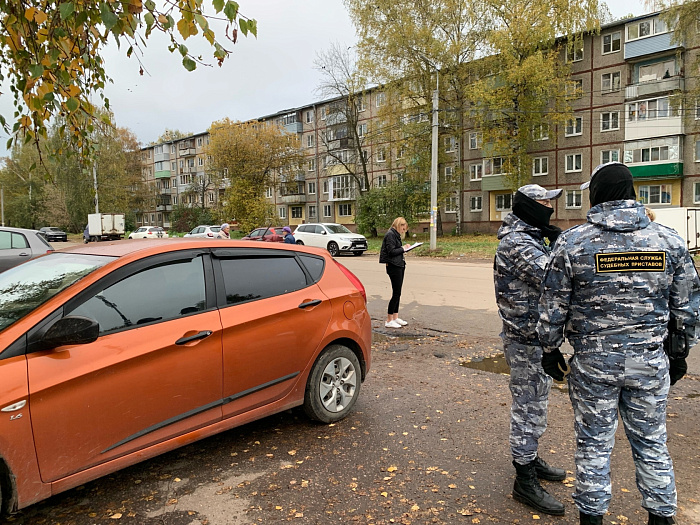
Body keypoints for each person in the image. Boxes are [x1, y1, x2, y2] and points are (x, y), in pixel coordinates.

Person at [536, 162, 700, 525]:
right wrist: (680, 350)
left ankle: (592, 518)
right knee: (651, 442)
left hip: (594, 366)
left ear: (596, 195)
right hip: (646, 363)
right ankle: (661, 518)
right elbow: (687, 306)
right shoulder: (668, 240)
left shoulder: (573, 242)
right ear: (631, 193)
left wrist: (549, 350)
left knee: (594, 444)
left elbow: (552, 307)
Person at [493, 184, 566, 516]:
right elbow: (556, 278)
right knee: (528, 406)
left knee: (537, 403)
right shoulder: (519, 244)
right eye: (543, 201)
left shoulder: (535, 237)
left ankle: (531, 459)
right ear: (528, 206)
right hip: (524, 341)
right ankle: (524, 479)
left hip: (536, 339)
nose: (550, 206)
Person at [379, 217, 411, 328]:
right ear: (399, 225)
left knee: (398, 292)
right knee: (396, 293)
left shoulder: (395, 234)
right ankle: (389, 320)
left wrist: (404, 249)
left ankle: (395, 317)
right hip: (393, 266)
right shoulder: (390, 235)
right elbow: (391, 251)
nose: (403, 231)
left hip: (399, 265)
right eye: (403, 228)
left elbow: (396, 250)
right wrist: (403, 249)